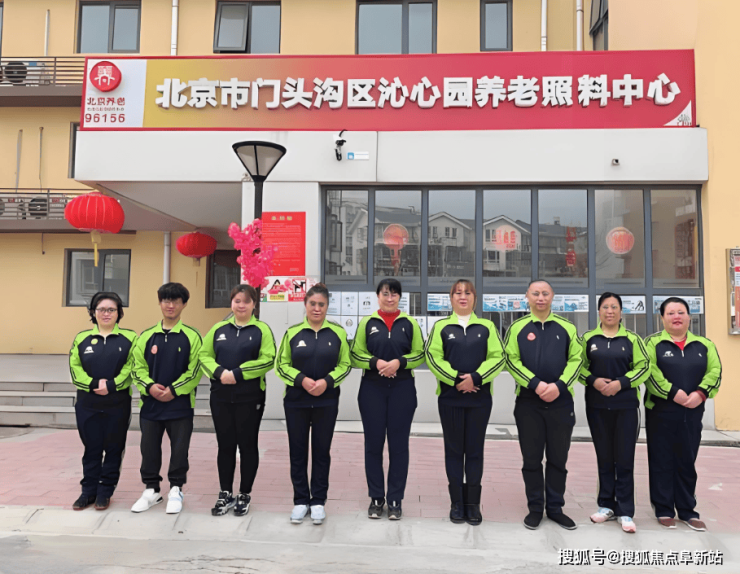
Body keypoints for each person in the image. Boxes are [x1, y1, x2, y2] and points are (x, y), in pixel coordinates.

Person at [424, 279, 506, 526]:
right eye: (458, 292)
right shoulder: (441, 327)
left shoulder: (487, 327)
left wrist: (476, 378)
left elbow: (498, 357)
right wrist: (456, 379)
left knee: (475, 451)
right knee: (453, 450)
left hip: (480, 399)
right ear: (451, 298)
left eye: (468, 292)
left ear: (475, 299)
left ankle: (473, 504)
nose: (463, 296)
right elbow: (433, 356)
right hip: (450, 399)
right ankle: (457, 503)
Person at [504, 279, 582, 531]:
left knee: (558, 458)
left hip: (561, 402)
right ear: (527, 296)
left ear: (552, 296)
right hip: (529, 402)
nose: (540, 298)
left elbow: (577, 359)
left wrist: (559, 386)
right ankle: (536, 508)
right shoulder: (517, 327)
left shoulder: (567, 327)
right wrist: (535, 384)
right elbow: (511, 360)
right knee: (532, 459)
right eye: (535, 293)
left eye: (545, 293)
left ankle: (556, 508)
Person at [275, 283, 351, 525]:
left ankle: (318, 501)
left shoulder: (337, 333)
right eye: (313, 304)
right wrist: (302, 380)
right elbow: (281, 365)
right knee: (297, 452)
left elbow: (345, 364)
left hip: (326, 402)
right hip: (296, 403)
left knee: (321, 451)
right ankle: (300, 500)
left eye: (321, 304)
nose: (317, 308)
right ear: (305, 304)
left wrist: (327, 382)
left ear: (327, 306)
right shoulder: (293, 333)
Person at [350, 278, 425, 520]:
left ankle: (395, 499)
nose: (389, 298)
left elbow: (420, 354)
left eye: (394, 294)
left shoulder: (410, 323)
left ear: (400, 297)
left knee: (398, 446)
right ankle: (376, 497)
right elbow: (355, 354)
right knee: (373, 445)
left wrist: (399, 363)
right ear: (378, 296)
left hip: (402, 388)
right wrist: (377, 363)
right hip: (372, 388)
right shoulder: (367, 323)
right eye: (385, 293)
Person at [644, 297, 721, 531]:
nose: (676, 317)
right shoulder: (652, 343)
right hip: (661, 412)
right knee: (661, 460)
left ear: (689, 316)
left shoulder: (704, 344)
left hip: (692, 412)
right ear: (662, 318)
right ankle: (664, 508)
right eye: (670, 313)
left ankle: (688, 510)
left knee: (687, 460)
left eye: (681, 312)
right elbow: (649, 371)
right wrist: (672, 392)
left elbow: (715, 371)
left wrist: (700, 393)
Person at [200, 285, 276, 517]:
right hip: (221, 397)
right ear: (231, 303)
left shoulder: (261, 329)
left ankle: (244, 493)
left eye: (246, 301)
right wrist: (220, 372)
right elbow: (203, 356)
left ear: (254, 304)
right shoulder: (218, 329)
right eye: (237, 301)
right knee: (225, 445)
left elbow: (268, 359)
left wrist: (238, 373)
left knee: (247, 445)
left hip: (250, 398)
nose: (241, 305)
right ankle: (225, 492)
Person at [579, 293, 650, 533]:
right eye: (605, 307)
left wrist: (621, 383)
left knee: (625, 459)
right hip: (597, 406)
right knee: (604, 457)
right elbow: (578, 366)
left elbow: (644, 367)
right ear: (599, 311)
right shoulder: (588, 339)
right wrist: (593, 381)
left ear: (621, 312)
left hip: (626, 407)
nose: (610, 311)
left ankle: (626, 510)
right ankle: (606, 506)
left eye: (614, 307)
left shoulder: (632, 339)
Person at [131, 283, 202, 514]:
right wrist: (149, 387)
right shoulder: (146, 336)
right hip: (150, 405)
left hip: (180, 405)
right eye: (166, 300)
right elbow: (136, 367)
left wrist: (174, 389)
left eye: (175, 301)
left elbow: (195, 370)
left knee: (179, 449)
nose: (170, 305)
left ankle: (176, 489)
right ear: (160, 303)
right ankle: (151, 490)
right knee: (149, 448)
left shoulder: (192, 336)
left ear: (184, 304)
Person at [69, 292, 137, 511]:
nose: (106, 313)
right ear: (93, 312)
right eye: (101, 309)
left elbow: (132, 366)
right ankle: (88, 491)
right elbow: (74, 367)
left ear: (119, 313)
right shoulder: (82, 338)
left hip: (117, 403)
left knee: (114, 448)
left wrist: (112, 385)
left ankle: (105, 491)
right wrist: (92, 384)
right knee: (92, 448)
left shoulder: (130, 338)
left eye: (111, 309)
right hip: (88, 403)